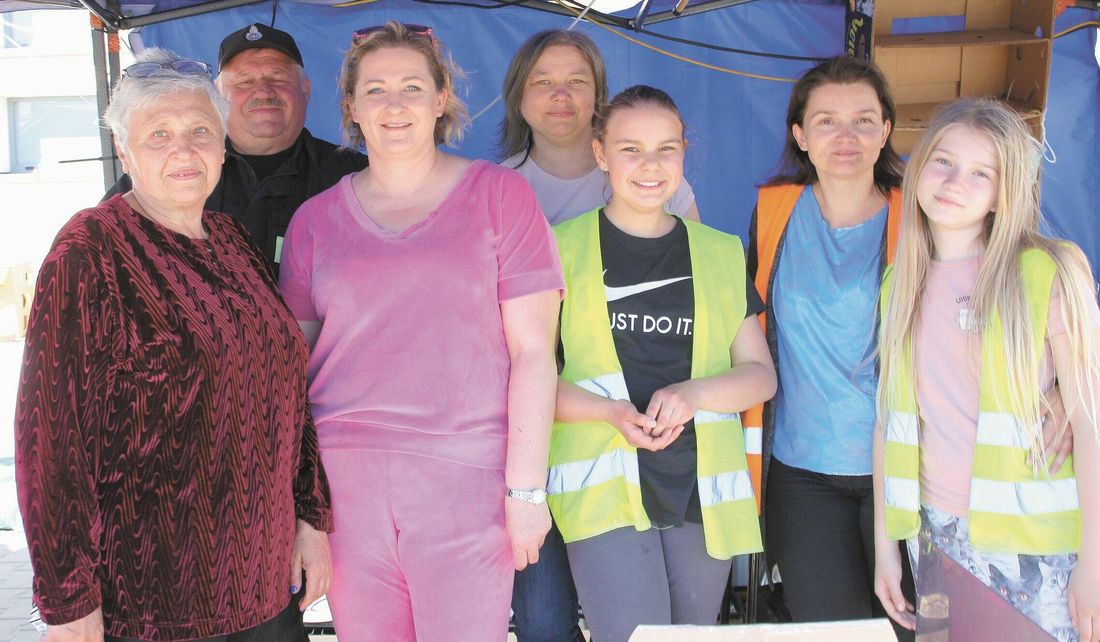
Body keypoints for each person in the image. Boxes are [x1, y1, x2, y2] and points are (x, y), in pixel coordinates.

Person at [15, 48, 332, 642]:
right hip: (154, 603)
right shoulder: (92, 250)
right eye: (158, 134)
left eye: (200, 131)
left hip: (264, 587)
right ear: (124, 148)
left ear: (223, 143)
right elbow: (51, 438)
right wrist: (67, 600)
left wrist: (311, 519)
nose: (184, 151)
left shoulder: (232, 239)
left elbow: (288, 391)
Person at [277, 22, 564, 641]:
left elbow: (534, 353)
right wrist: (302, 508)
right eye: (375, 90)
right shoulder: (313, 221)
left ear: (442, 99)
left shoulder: (501, 197)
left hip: (466, 483)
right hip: (345, 490)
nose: (395, 104)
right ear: (351, 107)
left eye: (412, 86)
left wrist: (526, 493)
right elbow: (288, 374)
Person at [873, 98, 1100, 642]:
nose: (954, 182)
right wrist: (885, 548)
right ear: (918, 166)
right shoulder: (899, 284)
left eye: (980, 173)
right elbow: (889, 423)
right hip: (933, 536)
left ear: (1004, 192)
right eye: (943, 161)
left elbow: (1095, 423)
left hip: (1035, 549)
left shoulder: (1049, 271)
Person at [549, 85, 774, 642]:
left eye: (665, 149)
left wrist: (692, 395)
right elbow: (529, 380)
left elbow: (759, 374)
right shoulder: (558, 249)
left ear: (683, 154)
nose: (650, 165)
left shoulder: (720, 251)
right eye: (631, 149)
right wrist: (609, 413)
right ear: (601, 154)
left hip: (700, 491)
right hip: (603, 489)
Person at [743, 54, 909, 629]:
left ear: (885, 130)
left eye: (863, 120)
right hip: (802, 473)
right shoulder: (773, 211)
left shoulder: (920, 214)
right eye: (826, 121)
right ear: (800, 135)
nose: (846, 136)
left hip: (908, 468)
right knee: (834, 632)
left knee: (916, 630)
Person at [106, 22, 367, 273]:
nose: (263, 91)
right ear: (218, 93)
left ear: (305, 89)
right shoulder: (169, 175)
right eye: (244, 82)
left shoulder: (354, 176)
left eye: (278, 78)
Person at [499, 29, 699, 227]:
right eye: (543, 82)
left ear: (597, 93)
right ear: (517, 95)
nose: (560, 95)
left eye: (576, 81)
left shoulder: (654, 177)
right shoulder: (498, 188)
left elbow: (696, 245)